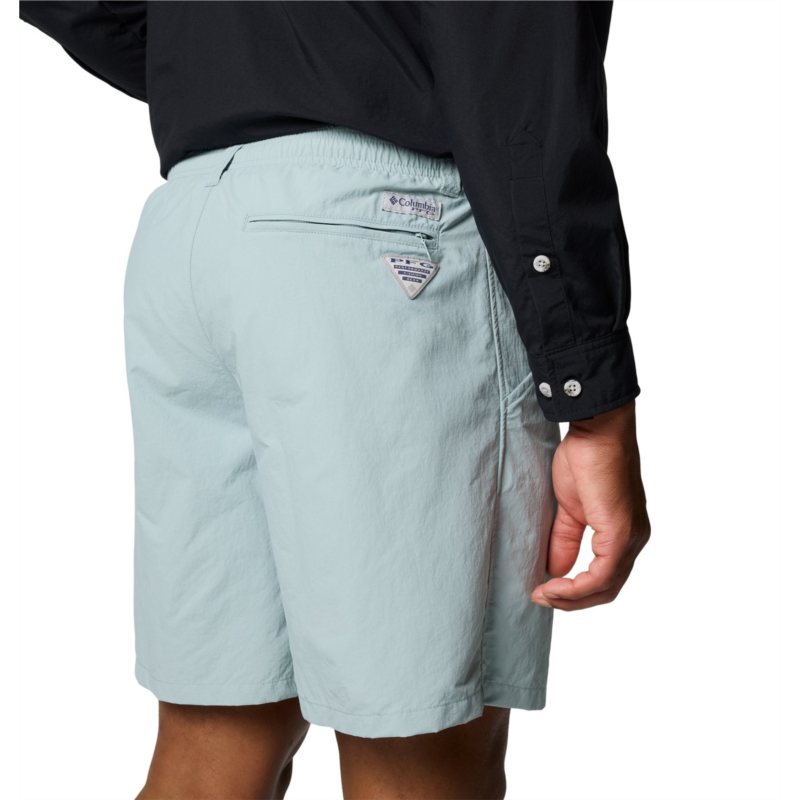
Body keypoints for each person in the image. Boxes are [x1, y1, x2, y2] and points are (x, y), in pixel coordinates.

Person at [18, 2, 651, 798]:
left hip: (196, 223)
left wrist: (230, 52)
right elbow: (514, 49)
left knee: (211, 752)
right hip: (380, 234)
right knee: (418, 757)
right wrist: (590, 396)